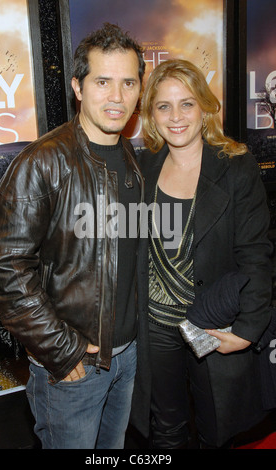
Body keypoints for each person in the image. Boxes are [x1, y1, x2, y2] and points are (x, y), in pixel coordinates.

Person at [0, 23, 145, 449]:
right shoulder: (41, 162)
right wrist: (62, 350)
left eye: (128, 82)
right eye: (103, 81)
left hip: (126, 356)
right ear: (77, 86)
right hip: (74, 367)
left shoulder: (130, 155)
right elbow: (5, 270)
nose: (117, 97)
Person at [130, 59, 273, 449]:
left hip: (211, 327)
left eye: (187, 104)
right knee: (167, 428)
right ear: (152, 116)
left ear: (205, 108)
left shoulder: (235, 167)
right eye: (164, 106)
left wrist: (247, 330)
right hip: (155, 327)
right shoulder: (142, 167)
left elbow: (257, 255)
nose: (176, 117)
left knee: (216, 428)